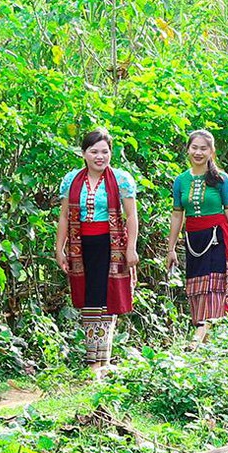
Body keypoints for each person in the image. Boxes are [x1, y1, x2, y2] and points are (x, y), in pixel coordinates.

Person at [55, 128, 139, 370]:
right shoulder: (72, 180)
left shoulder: (121, 179)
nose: (99, 157)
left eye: (105, 151)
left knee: (107, 298)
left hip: (111, 246)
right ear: (84, 153)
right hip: (81, 247)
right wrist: (59, 248)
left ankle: (102, 360)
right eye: (94, 151)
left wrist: (131, 248)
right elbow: (63, 217)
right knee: (89, 300)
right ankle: (93, 359)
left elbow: (131, 215)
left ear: (111, 153)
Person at [166, 129, 228, 342]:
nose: (198, 152)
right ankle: (205, 339)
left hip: (217, 238)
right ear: (187, 150)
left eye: (203, 148)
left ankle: (199, 335)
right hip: (193, 239)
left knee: (214, 287)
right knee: (197, 287)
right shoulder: (181, 180)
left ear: (211, 151)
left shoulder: (221, 179)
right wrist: (171, 248)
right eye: (194, 147)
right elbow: (177, 215)